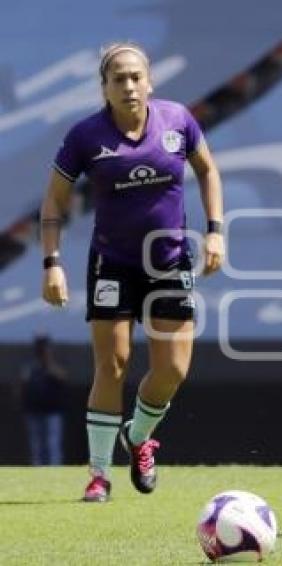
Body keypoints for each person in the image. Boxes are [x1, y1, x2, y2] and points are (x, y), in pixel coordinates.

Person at [40, 42, 225, 502]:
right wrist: (52, 264)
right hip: (112, 263)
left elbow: (208, 171)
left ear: (150, 81)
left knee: (174, 368)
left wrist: (216, 231)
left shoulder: (178, 120)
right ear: (104, 88)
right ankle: (99, 475)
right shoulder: (85, 136)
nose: (128, 85)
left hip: (169, 260)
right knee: (113, 364)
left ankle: (138, 436)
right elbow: (53, 201)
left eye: (136, 76)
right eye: (118, 78)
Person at [20, 334, 68, 466]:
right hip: (34, 411)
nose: (42, 351)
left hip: (52, 411)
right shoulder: (30, 366)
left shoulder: (54, 364)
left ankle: (54, 470)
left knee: (52, 444)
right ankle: (38, 469)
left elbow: (63, 377)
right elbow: (22, 385)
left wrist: (48, 363)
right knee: (36, 445)